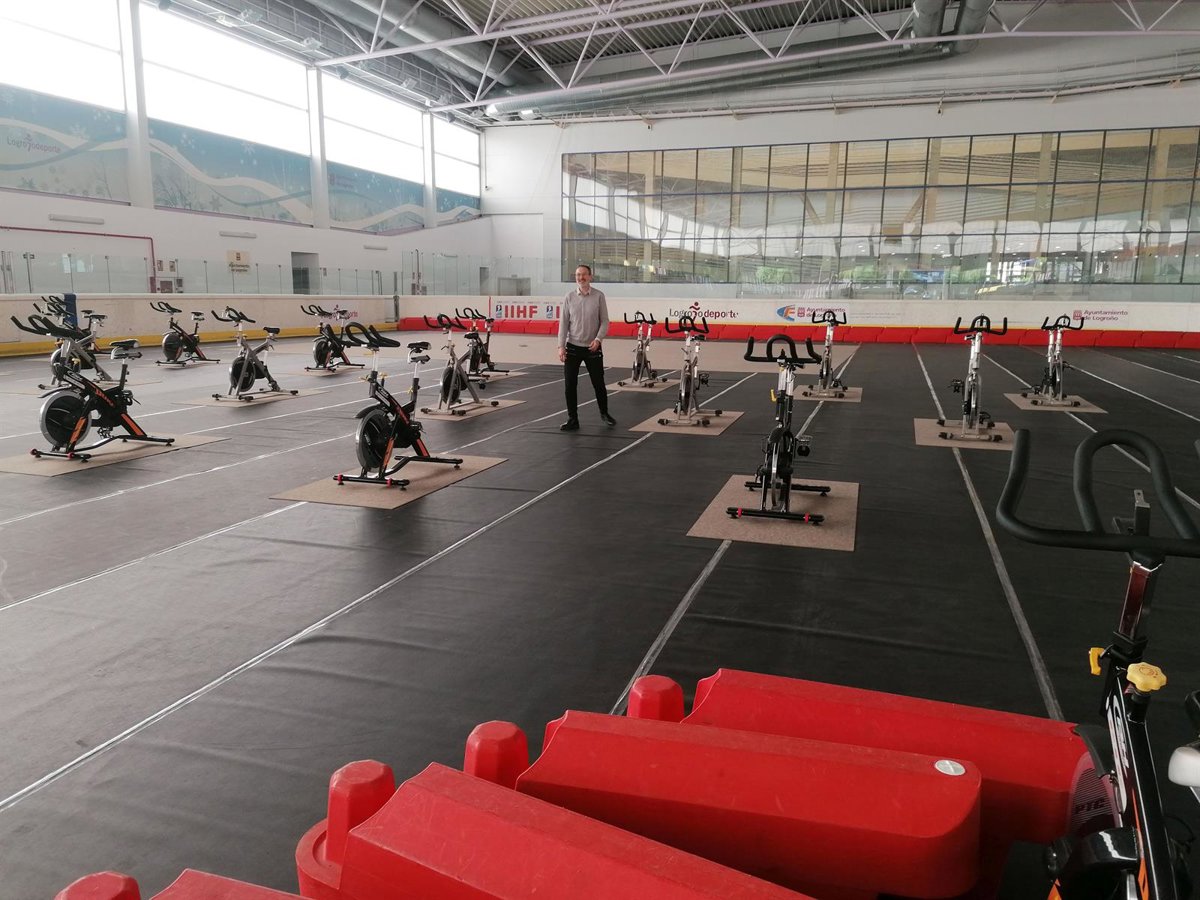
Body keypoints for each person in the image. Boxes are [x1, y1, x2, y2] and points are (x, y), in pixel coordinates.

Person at [558, 264, 615, 431]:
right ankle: (572, 419)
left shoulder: (599, 296)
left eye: (584, 275)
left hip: (593, 348)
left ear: (590, 276)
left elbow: (604, 321)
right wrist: (561, 346)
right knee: (570, 385)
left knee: (598, 383)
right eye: (578, 275)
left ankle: (604, 413)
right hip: (572, 347)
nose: (580, 278)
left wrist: (598, 339)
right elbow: (563, 323)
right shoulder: (569, 297)